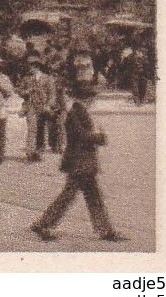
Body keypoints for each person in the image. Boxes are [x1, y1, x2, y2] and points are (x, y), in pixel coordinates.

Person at [32, 78, 125, 242]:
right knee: (71, 196)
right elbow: (81, 136)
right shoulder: (76, 112)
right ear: (85, 98)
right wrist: (100, 137)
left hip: (83, 162)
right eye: (91, 97)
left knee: (90, 196)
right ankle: (44, 224)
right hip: (79, 162)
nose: (93, 101)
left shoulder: (79, 111)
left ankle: (105, 230)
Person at [18, 61, 54, 161]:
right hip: (30, 106)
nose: (30, 68)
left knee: (41, 130)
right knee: (32, 129)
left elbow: (52, 94)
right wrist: (28, 91)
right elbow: (20, 92)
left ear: (37, 67)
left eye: (32, 66)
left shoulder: (47, 78)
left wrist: (48, 105)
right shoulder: (26, 79)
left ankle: (39, 152)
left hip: (43, 107)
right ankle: (30, 152)